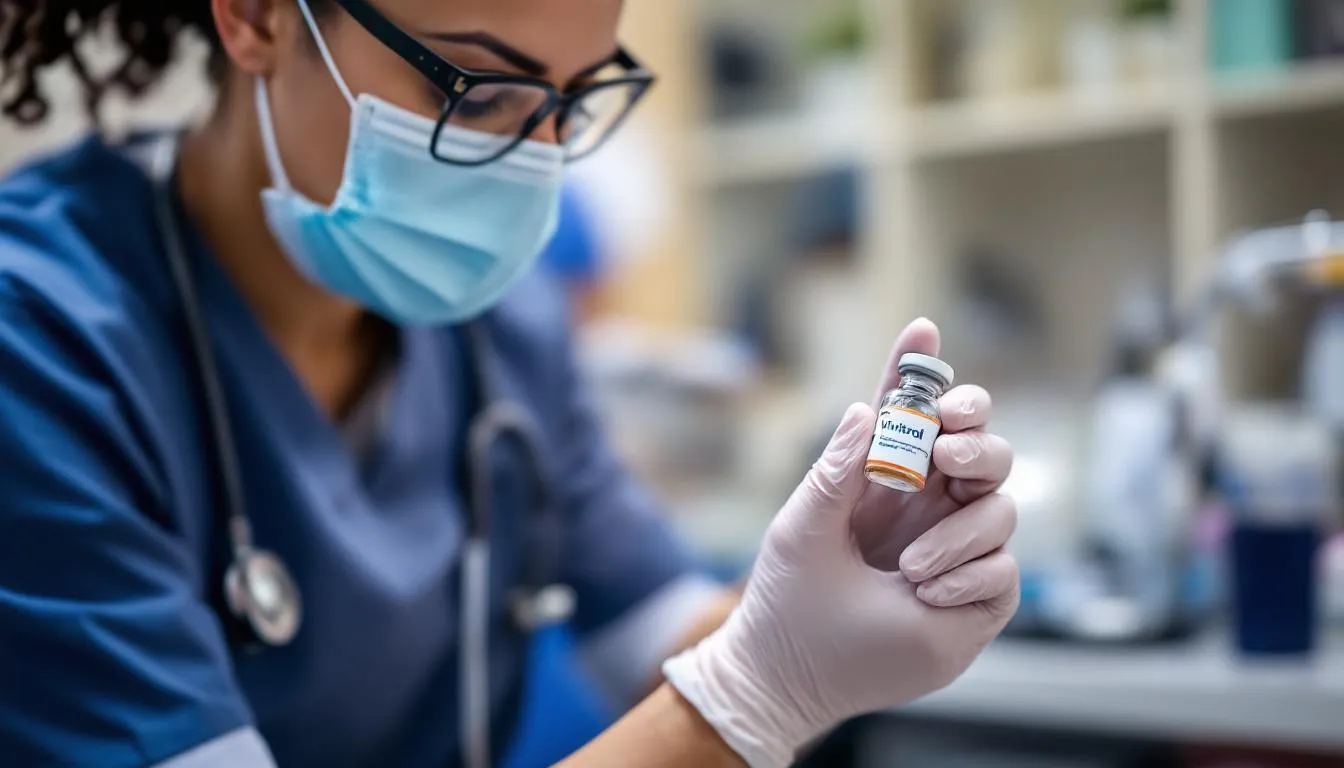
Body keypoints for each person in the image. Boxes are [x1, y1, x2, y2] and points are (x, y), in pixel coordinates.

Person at [0, 1, 1020, 767]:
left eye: (571, 103)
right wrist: (755, 690)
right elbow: (732, 678)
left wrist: (849, 570)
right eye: (478, 91)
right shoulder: (38, 338)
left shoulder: (498, 324)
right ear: (259, 16)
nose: (532, 168)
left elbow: (665, 624)